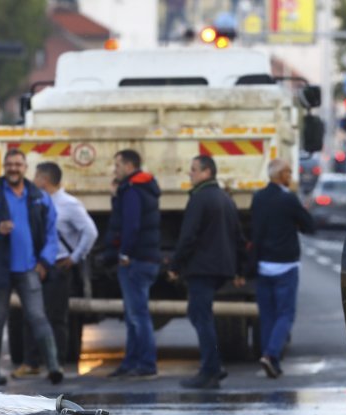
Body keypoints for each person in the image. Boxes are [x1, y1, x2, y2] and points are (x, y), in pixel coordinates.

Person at [0, 148, 64, 386]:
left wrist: (45, 261)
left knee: (37, 316)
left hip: (29, 268)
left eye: (18, 164)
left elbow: (52, 232)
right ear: (5, 168)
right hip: (0, 269)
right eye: (10, 164)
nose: (13, 168)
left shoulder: (39, 197)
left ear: (25, 168)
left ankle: (53, 367)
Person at [12, 161, 98, 377]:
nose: (33, 180)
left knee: (56, 316)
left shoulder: (69, 204)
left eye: (36, 176)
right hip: (34, 266)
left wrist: (75, 257)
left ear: (45, 179)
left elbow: (90, 232)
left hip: (58, 267)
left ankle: (56, 362)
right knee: (31, 314)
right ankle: (31, 362)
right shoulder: (34, 201)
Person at [168, 155, 246, 389]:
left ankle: (210, 369)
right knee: (200, 314)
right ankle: (213, 366)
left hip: (202, 267)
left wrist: (175, 265)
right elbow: (238, 237)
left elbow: (188, 236)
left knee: (201, 317)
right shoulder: (225, 198)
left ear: (206, 172)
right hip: (220, 267)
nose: (189, 174)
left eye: (193, 170)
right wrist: (240, 269)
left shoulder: (199, 198)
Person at [250, 159, 315, 378]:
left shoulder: (258, 198)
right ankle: (270, 354)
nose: (291, 176)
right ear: (280, 175)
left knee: (267, 315)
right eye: (288, 172)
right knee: (286, 314)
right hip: (286, 265)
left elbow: (255, 231)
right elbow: (309, 226)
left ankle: (272, 361)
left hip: (263, 264)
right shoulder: (288, 199)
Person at [103, 149, 161, 378]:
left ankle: (145, 363)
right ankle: (132, 362)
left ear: (128, 166)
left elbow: (130, 224)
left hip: (135, 260)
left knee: (137, 315)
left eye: (117, 165)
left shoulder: (132, 191)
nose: (114, 170)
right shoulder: (143, 188)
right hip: (146, 258)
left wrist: (124, 253)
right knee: (134, 314)